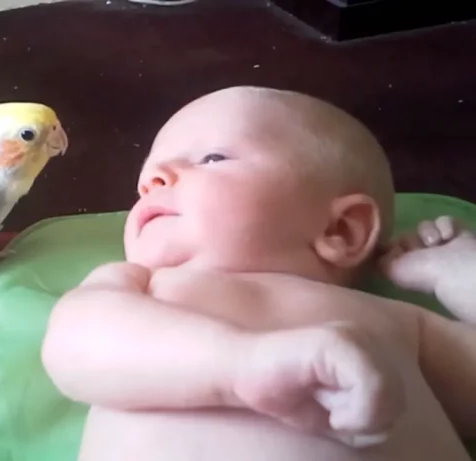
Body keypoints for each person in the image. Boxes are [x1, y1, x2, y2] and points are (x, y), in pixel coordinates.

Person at [40, 85, 476, 461]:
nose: (153, 179)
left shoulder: (397, 321)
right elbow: (73, 348)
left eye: (212, 157)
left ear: (340, 230)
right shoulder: (138, 287)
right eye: (146, 181)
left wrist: (457, 275)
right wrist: (239, 365)